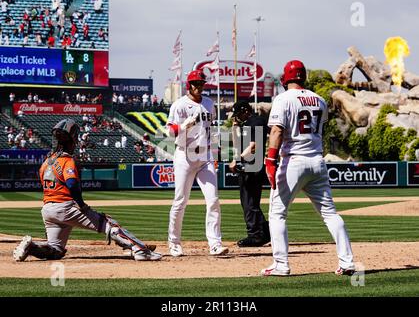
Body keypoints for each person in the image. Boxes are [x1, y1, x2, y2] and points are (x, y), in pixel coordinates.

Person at [13, 118, 161, 262]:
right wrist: (82, 205)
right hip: (65, 207)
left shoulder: (46, 163)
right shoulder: (67, 161)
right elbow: (71, 184)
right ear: (72, 140)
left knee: (55, 250)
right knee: (108, 223)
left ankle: (31, 248)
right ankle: (141, 251)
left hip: (47, 209)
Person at [261, 60, 355, 276]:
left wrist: (269, 161)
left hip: (293, 161)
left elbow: (276, 131)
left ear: (286, 78)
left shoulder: (283, 99)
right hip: (317, 161)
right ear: (304, 77)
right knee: (330, 213)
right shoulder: (320, 100)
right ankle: (347, 262)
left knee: (277, 214)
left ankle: (281, 265)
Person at [166, 69, 228, 257]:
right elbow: (168, 132)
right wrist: (184, 126)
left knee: (213, 200)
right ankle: (174, 242)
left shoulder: (209, 103)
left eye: (201, 83)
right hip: (185, 155)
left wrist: (214, 152)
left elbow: (211, 130)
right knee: (180, 201)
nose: (199, 87)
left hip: (205, 156)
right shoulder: (179, 105)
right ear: (189, 85)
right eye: (196, 83)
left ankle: (215, 244)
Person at [229, 101, 270, 247]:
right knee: (250, 202)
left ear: (245, 110)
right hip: (249, 166)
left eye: (238, 114)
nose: (237, 117)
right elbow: (237, 145)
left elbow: (254, 146)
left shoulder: (255, 121)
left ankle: (256, 235)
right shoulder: (247, 124)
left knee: (249, 203)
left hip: (253, 166)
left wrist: (237, 159)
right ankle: (265, 231)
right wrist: (235, 127)